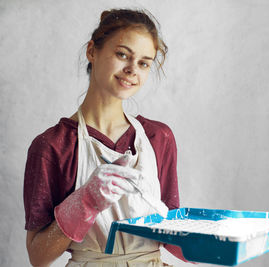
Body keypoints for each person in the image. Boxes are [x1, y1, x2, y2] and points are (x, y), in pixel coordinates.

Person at [23, 8, 186, 267]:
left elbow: (174, 239)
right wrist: (84, 201)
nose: (133, 69)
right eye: (123, 54)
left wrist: (216, 242)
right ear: (92, 51)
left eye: (144, 63)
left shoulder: (158, 138)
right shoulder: (53, 147)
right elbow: (38, 256)